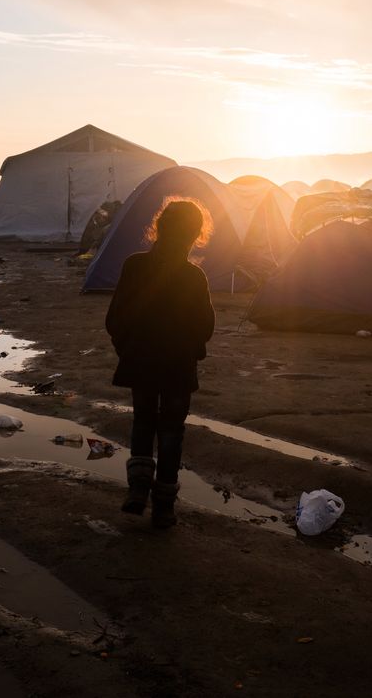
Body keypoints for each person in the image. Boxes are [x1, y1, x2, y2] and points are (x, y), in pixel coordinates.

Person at [105, 199, 215, 529]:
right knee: (171, 433)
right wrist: (194, 350)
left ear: (159, 226)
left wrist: (126, 348)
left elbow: (115, 317)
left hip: (141, 360)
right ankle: (164, 506)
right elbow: (205, 326)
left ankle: (138, 491)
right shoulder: (194, 276)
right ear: (196, 235)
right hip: (178, 366)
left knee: (143, 422)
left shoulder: (134, 266)